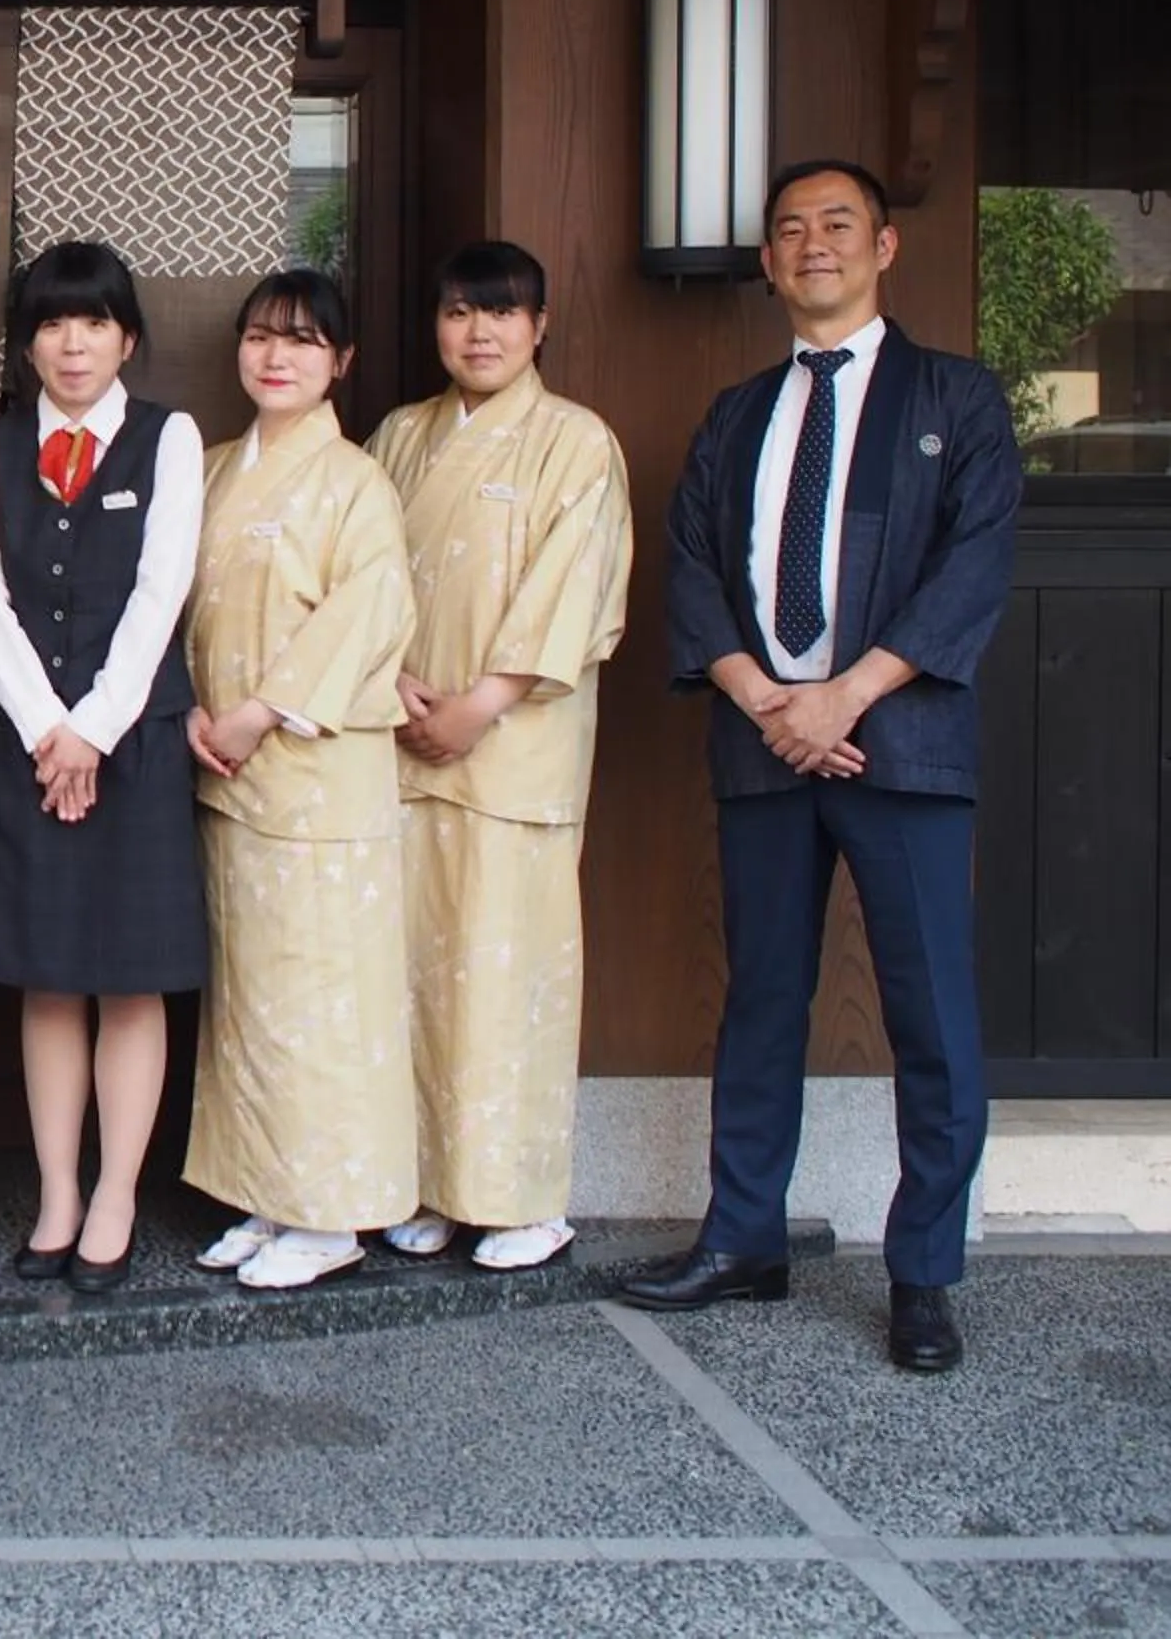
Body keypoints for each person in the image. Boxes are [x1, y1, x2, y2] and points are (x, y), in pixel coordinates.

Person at [623, 159, 1018, 1374]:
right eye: (790, 230)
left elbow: (974, 563)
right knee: (762, 997)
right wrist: (765, 699)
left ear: (884, 247)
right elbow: (694, 564)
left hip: (901, 743)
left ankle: (924, 1273)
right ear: (767, 262)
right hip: (765, 743)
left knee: (931, 1014)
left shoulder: (958, 397)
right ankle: (743, 1236)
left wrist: (845, 695)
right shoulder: (740, 412)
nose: (814, 245)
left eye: (838, 224)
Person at [0, 240, 208, 1293]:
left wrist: (92, 730)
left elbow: (162, 592)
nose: (72, 344)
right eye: (52, 324)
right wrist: (46, 729)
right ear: (27, 343)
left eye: (94, 323)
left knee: (132, 978)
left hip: (132, 742)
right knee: (48, 974)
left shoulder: (169, 439)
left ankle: (116, 1196)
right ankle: (57, 1191)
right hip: (24, 742)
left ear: (126, 339)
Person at [367, 242, 631, 1274]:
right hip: (402, 736)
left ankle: (523, 1199)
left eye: (503, 313)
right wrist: (389, 680)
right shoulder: (401, 436)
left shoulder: (576, 441)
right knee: (415, 973)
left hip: (513, 748)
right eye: (459, 312)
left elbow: (575, 590)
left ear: (540, 326)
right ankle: (430, 1184)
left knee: (506, 973)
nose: (480, 332)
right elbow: (361, 575)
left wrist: (481, 703)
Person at [184, 267, 419, 1292]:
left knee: (322, 995)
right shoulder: (211, 468)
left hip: (315, 775)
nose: (276, 357)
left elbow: (365, 616)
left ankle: (329, 1218)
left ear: (341, 362)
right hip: (224, 772)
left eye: (304, 341)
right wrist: (189, 711)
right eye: (261, 337)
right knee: (249, 997)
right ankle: (268, 1194)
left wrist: (254, 712)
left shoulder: (357, 483)